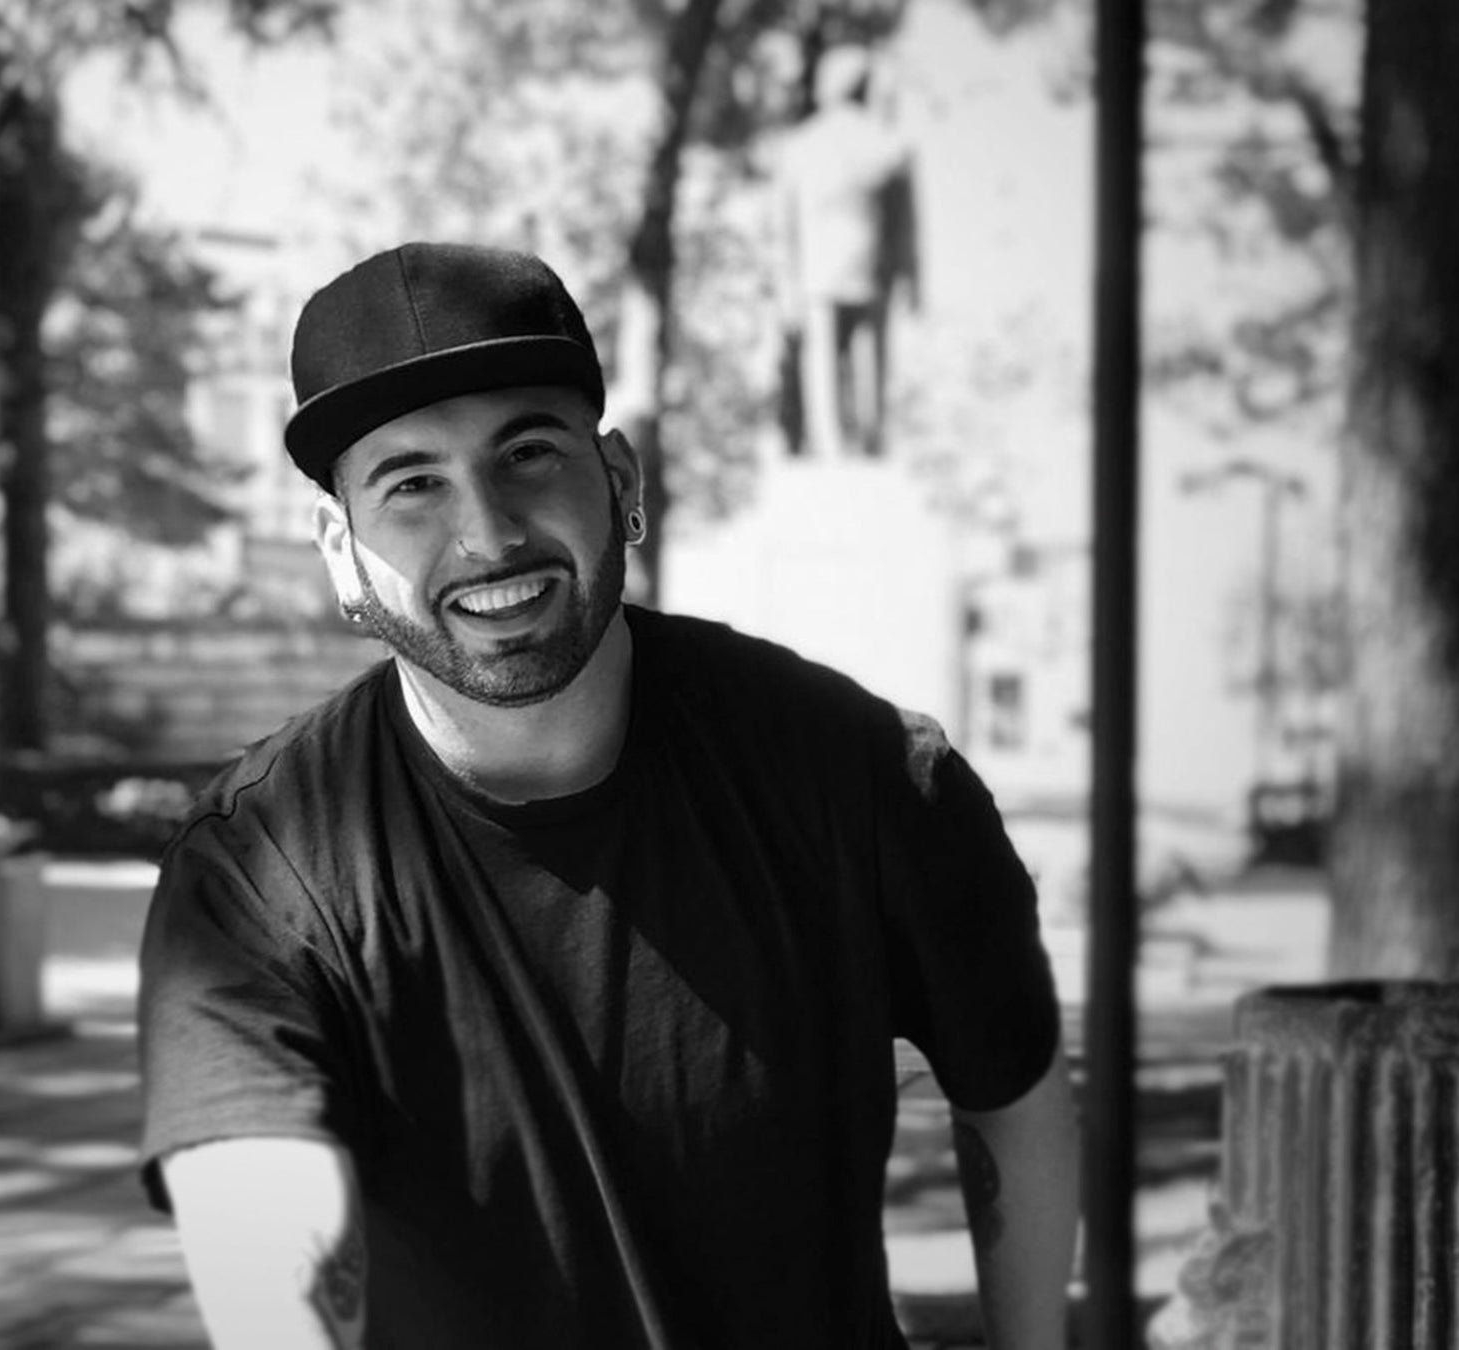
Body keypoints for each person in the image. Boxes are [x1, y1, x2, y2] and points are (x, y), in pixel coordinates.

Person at [135, 242, 1076, 1348]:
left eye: (528, 453)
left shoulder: (862, 779)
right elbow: (270, 1260)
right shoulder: (256, 871)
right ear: (342, 553)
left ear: (620, 482)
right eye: (413, 484)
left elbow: (1013, 1091)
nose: (487, 533)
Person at [773, 46, 921, 461]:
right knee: (869, 363)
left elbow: (783, 229)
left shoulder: (798, 146)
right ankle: (870, 446)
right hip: (871, 267)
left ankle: (831, 448)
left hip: (818, 272)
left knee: (821, 366)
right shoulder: (889, 145)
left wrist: (786, 288)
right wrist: (911, 281)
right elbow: (906, 227)